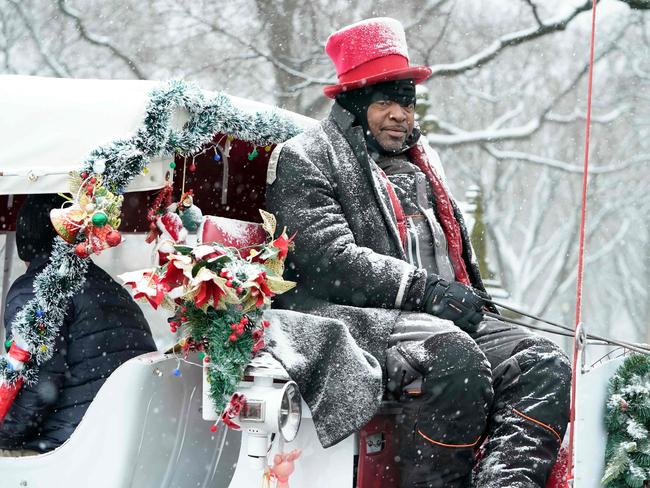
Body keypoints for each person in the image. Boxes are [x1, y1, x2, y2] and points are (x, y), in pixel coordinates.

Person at [265, 18, 571, 487]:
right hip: (355, 323)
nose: (399, 115)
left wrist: (464, 299)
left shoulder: (421, 163)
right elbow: (326, 260)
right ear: (352, 103)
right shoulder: (307, 156)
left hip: (437, 321)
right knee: (456, 363)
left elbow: (452, 262)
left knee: (544, 362)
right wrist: (424, 290)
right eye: (384, 101)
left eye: (406, 102)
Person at [0, 194, 156, 455]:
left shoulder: (37, 289)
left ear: (26, 239)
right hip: (118, 441)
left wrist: (4, 435)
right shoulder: (108, 286)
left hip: (66, 449)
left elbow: (36, 388)